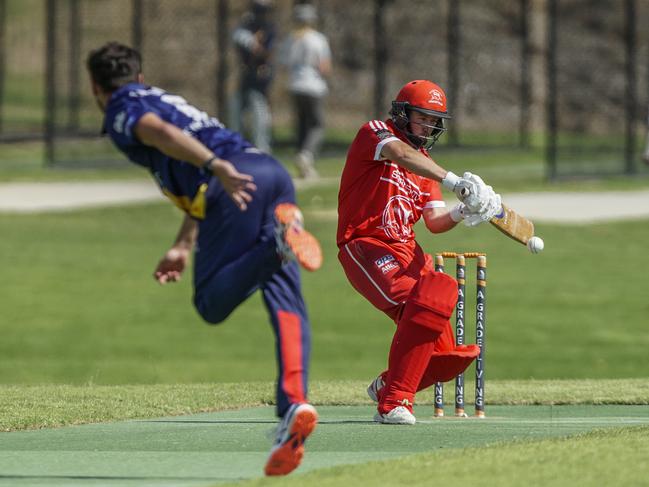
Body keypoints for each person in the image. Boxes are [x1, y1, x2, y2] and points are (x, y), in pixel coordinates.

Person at [86, 41, 321, 476]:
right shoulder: (158, 95)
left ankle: (278, 245)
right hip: (269, 173)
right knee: (286, 301)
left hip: (233, 182)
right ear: (140, 77)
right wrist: (182, 241)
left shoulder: (120, 107)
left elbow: (159, 133)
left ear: (96, 87)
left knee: (210, 304)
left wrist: (215, 165)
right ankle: (294, 404)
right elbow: (185, 168)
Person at [336, 80, 502, 425]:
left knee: (449, 350)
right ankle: (394, 402)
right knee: (421, 299)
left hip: (407, 253)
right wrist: (456, 182)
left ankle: (387, 385)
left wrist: (462, 211)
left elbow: (435, 222)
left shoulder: (425, 165)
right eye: (422, 117)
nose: (428, 126)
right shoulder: (375, 133)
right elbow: (400, 154)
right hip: (365, 246)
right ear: (402, 113)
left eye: (433, 121)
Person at [280, 3, 332, 179]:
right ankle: (306, 155)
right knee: (317, 125)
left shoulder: (290, 39)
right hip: (313, 86)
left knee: (301, 124)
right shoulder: (318, 39)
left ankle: (303, 163)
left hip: (295, 85)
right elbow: (324, 66)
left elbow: (284, 64)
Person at [231, 0, 275, 153]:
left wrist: (257, 46)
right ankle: (236, 149)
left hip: (259, 78)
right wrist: (252, 42)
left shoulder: (269, 29)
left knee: (259, 113)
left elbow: (264, 52)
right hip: (246, 76)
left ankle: (262, 151)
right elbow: (240, 40)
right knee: (236, 112)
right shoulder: (246, 28)